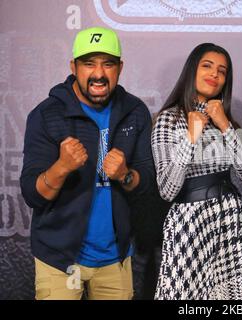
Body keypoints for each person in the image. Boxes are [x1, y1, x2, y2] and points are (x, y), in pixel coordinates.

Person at [20, 27, 155, 300]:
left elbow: (148, 183)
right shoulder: (47, 114)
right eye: (88, 63)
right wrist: (61, 167)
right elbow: (32, 194)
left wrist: (125, 174)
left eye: (108, 64)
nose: (99, 74)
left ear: (120, 67)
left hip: (114, 258)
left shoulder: (134, 112)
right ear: (73, 66)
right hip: (60, 259)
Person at [151, 43, 242, 300]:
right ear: (192, 70)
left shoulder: (226, 121)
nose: (215, 74)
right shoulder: (168, 119)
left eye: (222, 71)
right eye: (207, 66)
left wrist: (225, 125)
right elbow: (167, 190)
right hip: (190, 223)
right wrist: (191, 137)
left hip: (229, 220)